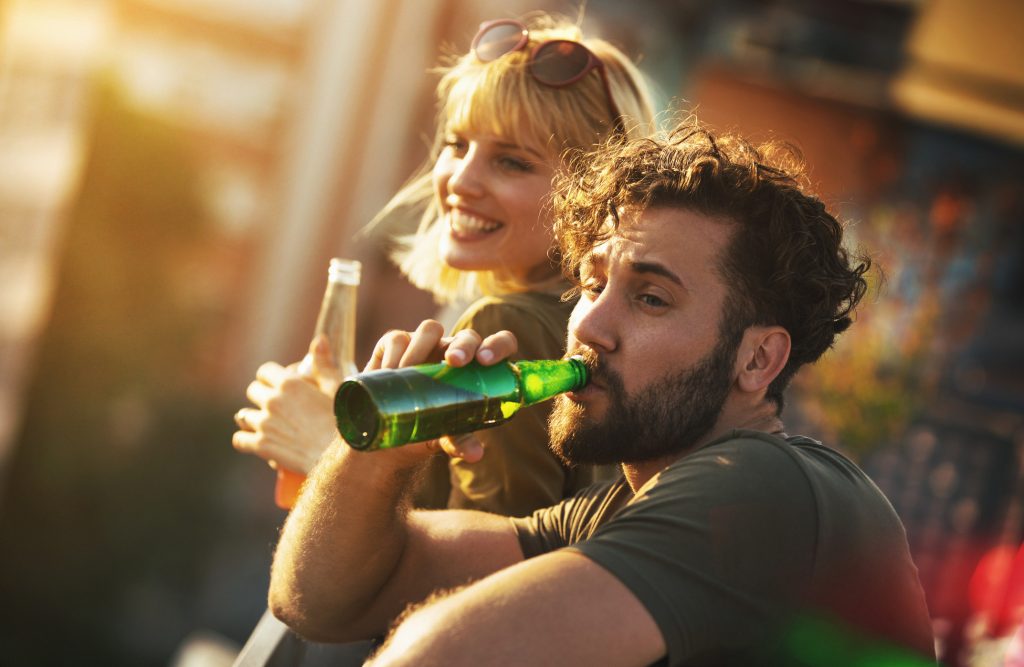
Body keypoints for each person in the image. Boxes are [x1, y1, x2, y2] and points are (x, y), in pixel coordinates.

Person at [267, 120, 937, 667]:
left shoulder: (763, 489)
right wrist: (378, 456)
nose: (588, 325)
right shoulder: (615, 509)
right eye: (591, 284)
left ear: (758, 357)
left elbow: (439, 657)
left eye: (649, 297)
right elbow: (321, 598)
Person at [232, 12, 657, 515]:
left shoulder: (506, 326)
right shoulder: (606, 332)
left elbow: (483, 572)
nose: (459, 180)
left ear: (592, 193)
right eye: (457, 145)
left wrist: (327, 448)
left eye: (511, 161)